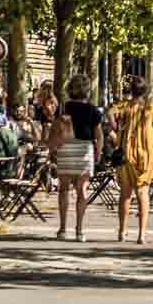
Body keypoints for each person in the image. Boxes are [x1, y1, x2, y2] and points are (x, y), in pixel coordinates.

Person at [48, 74, 103, 241]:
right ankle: (80, 230)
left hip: (66, 148)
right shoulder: (94, 110)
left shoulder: (63, 108)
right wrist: (98, 152)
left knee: (64, 189)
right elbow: (98, 135)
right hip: (84, 150)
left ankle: (63, 228)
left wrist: (53, 149)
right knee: (82, 191)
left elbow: (55, 129)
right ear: (88, 90)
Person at [113, 76, 153, 245]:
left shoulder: (124, 107)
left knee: (125, 193)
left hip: (126, 154)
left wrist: (116, 129)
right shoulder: (151, 109)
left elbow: (108, 112)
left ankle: (122, 230)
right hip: (146, 155)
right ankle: (142, 234)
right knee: (143, 193)